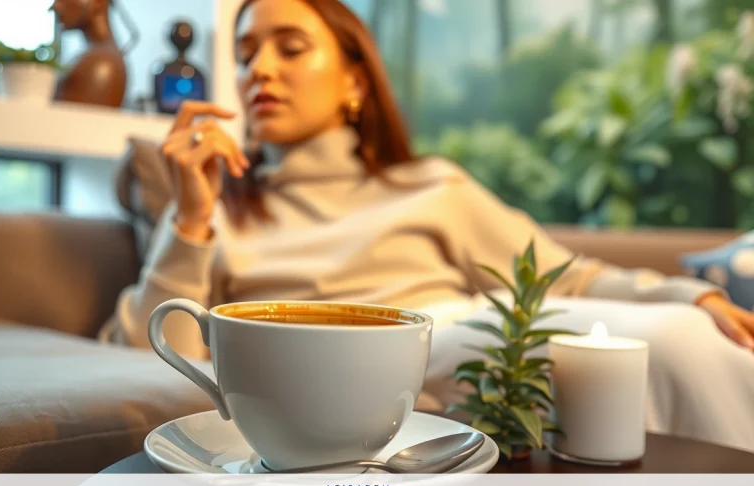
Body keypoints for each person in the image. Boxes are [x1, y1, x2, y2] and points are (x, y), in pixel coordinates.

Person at [104, 0, 754, 453]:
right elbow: (148, 351)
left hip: (477, 326)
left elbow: (566, 276)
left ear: (356, 80)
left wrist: (686, 293)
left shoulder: (431, 185)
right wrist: (189, 218)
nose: (259, 71)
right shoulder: (216, 209)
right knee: (666, 349)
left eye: (290, 48)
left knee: (682, 335)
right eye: (245, 56)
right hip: (382, 365)